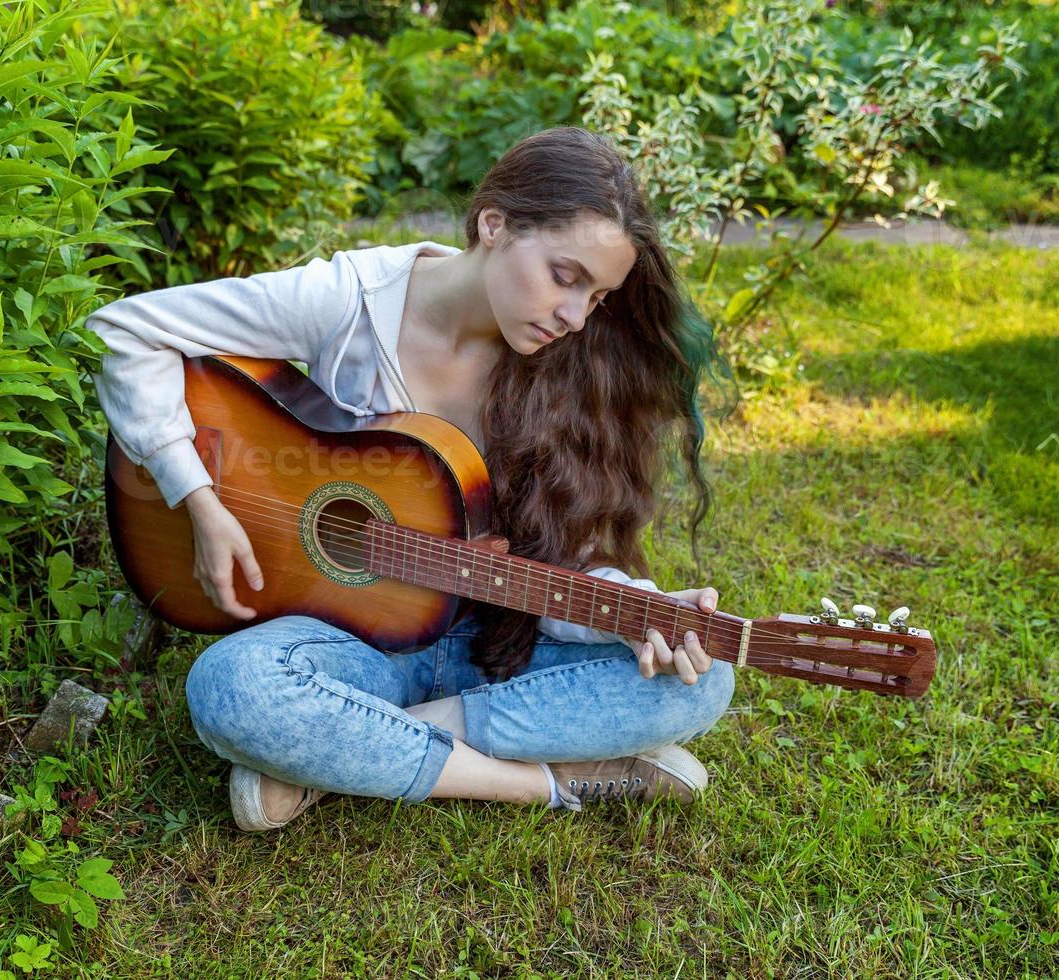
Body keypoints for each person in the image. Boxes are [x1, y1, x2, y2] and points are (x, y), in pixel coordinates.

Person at [87, 126, 734, 832]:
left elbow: (556, 570)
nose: (575, 317)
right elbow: (124, 331)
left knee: (702, 681)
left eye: (598, 297)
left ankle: (345, 756)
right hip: (351, 636)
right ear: (495, 224)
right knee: (231, 687)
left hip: (494, 642)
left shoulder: (575, 366)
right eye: (565, 276)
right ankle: (541, 783)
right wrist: (199, 498)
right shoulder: (348, 300)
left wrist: (641, 613)